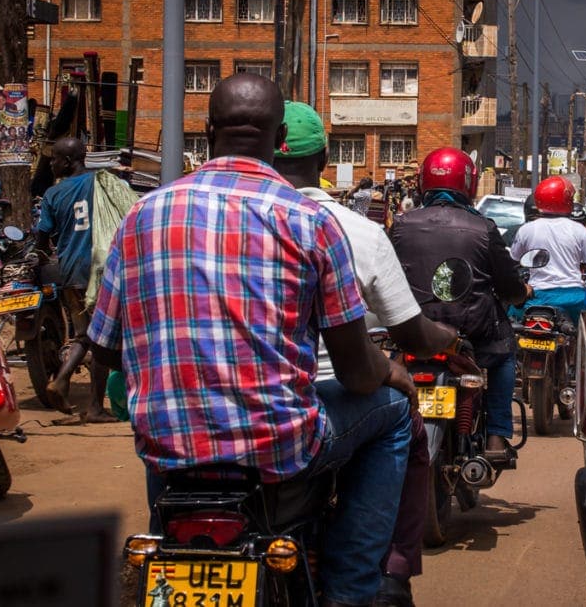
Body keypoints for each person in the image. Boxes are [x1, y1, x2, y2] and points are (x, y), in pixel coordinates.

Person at [87, 74, 414, 607]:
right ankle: (351, 591)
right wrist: (389, 371)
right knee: (394, 415)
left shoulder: (141, 217)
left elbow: (102, 347)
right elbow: (357, 373)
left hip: (170, 454)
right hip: (279, 450)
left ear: (207, 129)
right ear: (280, 136)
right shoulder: (309, 220)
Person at [273, 102, 460, 607]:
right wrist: (443, 341)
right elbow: (395, 343)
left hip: (194, 417)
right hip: (318, 401)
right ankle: (379, 575)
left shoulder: (199, 218)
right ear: (327, 158)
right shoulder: (345, 229)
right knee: (402, 415)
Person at [391, 147, 531, 463]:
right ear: (468, 184)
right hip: (474, 335)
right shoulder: (484, 228)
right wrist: (520, 292)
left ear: (423, 182)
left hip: (413, 331)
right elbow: (509, 287)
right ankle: (496, 436)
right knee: (505, 355)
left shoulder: (401, 225)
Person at [34, 136, 123, 422]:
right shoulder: (101, 183)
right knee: (100, 340)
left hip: (70, 272)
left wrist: (40, 253)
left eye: (55, 159)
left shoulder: (52, 195)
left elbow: (42, 235)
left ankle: (63, 381)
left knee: (84, 334)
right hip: (101, 271)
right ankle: (93, 406)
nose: (51, 163)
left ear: (69, 161)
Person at [510, 176, 586, 324]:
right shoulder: (579, 230)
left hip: (538, 297)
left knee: (510, 317)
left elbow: (513, 261)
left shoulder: (527, 229)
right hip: (574, 298)